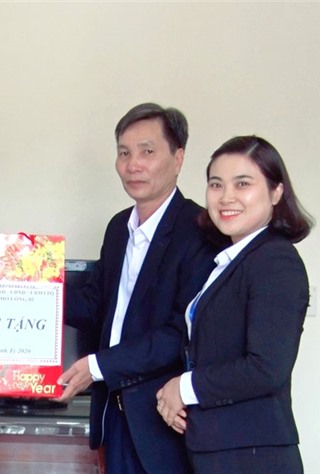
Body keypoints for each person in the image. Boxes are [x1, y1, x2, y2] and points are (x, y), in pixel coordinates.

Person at [56, 103, 218, 473]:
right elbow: (94, 305)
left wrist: (99, 366)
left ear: (178, 159)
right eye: (124, 153)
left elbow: (181, 333)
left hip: (162, 423)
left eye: (147, 152)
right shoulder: (118, 228)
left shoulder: (200, 231)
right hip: (113, 416)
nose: (133, 165)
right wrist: (32, 287)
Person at [156, 135, 313, 473]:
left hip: (252, 455)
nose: (226, 197)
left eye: (243, 183)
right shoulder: (229, 261)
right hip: (219, 449)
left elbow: (266, 368)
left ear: (276, 192)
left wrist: (184, 387)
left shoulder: (275, 260)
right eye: (216, 184)